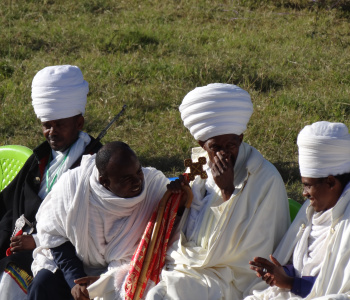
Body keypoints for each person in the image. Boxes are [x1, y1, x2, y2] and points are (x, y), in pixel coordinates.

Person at [145, 83, 290, 300]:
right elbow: (188, 213)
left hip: (231, 275)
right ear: (202, 144)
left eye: (231, 145)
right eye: (215, 147)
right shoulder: (199, 164)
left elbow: (251, 250)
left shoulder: (264, 177)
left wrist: (227, 191)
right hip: (187, 261)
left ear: (240, 138)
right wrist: (180, 195)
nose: (224, 154)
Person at [0, 65, 102, 300]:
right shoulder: (41, 157)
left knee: (11, 280)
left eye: (59, 125)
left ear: (79, 123)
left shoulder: (95, 163)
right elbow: (9, 203)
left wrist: (35, 241)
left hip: (60, 253)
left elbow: (89, 226)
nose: (51, 132)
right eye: (47, 125)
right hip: (18, 243)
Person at [27, 141, 169, 300]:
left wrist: (105, 282)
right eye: (126, 178)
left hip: (125, 273)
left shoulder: (154, 186)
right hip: (74, 266)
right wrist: (76, 281)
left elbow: (173, 222)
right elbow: (55, 236)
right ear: (104, 181)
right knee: (43, 285)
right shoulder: (73, 186)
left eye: (138, 171)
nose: (137, 181)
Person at [244, 121, 350, 300]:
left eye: (308, 186)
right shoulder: (311, 211)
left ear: (331, 182)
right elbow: (304, 266)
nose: (304, 193)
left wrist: (291, 283)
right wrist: (280, 273)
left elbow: (336, 287)